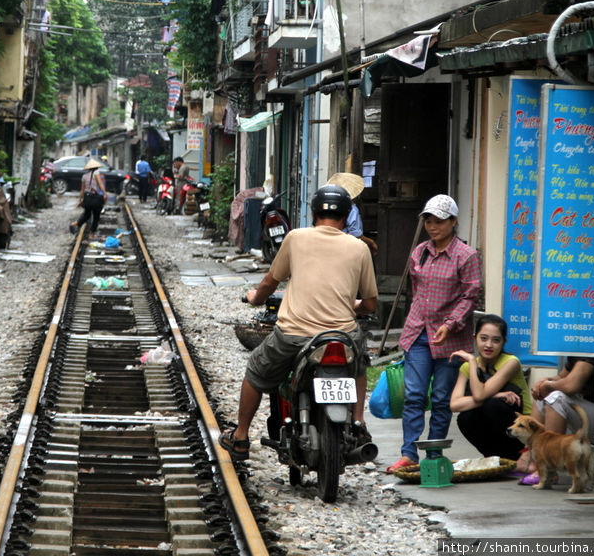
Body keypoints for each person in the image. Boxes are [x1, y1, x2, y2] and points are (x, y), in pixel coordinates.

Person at [219, 184, 378, 460]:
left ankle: (241, 437)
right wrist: (355, 306)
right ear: (346, 215)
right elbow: (371, 303)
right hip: (342, 336)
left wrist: (256, 298)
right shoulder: (359, 248)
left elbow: (271, 280)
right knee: (359, 366)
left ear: (314, 213)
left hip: (294, 334)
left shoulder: (295, 238)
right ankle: (359, 424)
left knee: (255, 371)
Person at [386, 194, 482, 473]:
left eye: (439, 220)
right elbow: (417, 293)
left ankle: (434, 454)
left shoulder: (467, 255)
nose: (432, 225)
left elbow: (470, 296)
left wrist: (450, 323)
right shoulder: (420, 252)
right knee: (414, 395)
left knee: (441, 398)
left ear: (453, 221)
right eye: (428, 220)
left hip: (451, 338)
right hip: (418, 332)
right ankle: (409, 454)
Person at [449, 314, 532, 462]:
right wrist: (496, 395)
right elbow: (455, 405)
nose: (488, 345)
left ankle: (518, 455)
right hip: (496, 425)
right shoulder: (467, 367)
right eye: (483, 338)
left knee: (491, 406)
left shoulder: (511, 362)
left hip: (522, 428)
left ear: (503, 342)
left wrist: (472, 361)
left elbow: (480, 395)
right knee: (465, 418)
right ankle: (494, 456)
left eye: (496, 340)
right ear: (475, 338)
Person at [516, 356, 594, 485]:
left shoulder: (590, 348)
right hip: (586, 413)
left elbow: (571, 385)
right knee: (541, 394)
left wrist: (548, 385)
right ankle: (531, 458)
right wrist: (544, 382)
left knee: (555, 398)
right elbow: (560, 378)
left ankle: (549, 470)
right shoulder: (576, 352)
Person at [328, 172, 378, 256]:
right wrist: (371, 242)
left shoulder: (330, 207)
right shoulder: (351, 209)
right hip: (345, 248)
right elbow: (355, 234)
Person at [69, 159, 107, 238]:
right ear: (96, 167)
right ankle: (92, 234)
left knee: (87, 214)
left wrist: (80, 200)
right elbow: (100, 184)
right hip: (95, 198)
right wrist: (105, 193)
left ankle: (74, 224)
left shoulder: (84, 176)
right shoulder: (97, 173)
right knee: (96, 216)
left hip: (87, 198)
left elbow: (82, 190)